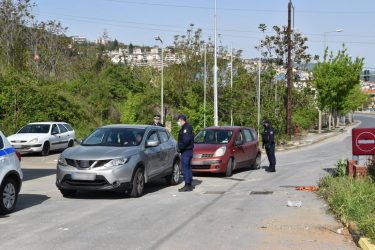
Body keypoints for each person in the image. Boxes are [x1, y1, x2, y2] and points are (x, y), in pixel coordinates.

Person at [176, 114, 194, 192]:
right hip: (188, 151)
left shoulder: (186, 128)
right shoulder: (187, 127)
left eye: (178, 120)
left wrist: (180, 148)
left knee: (185, 168)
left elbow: (186, 140)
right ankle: (189, 184)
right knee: (188, 168)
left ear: (181, 120)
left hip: (186, 151)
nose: (178, 122)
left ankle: (187, 185)